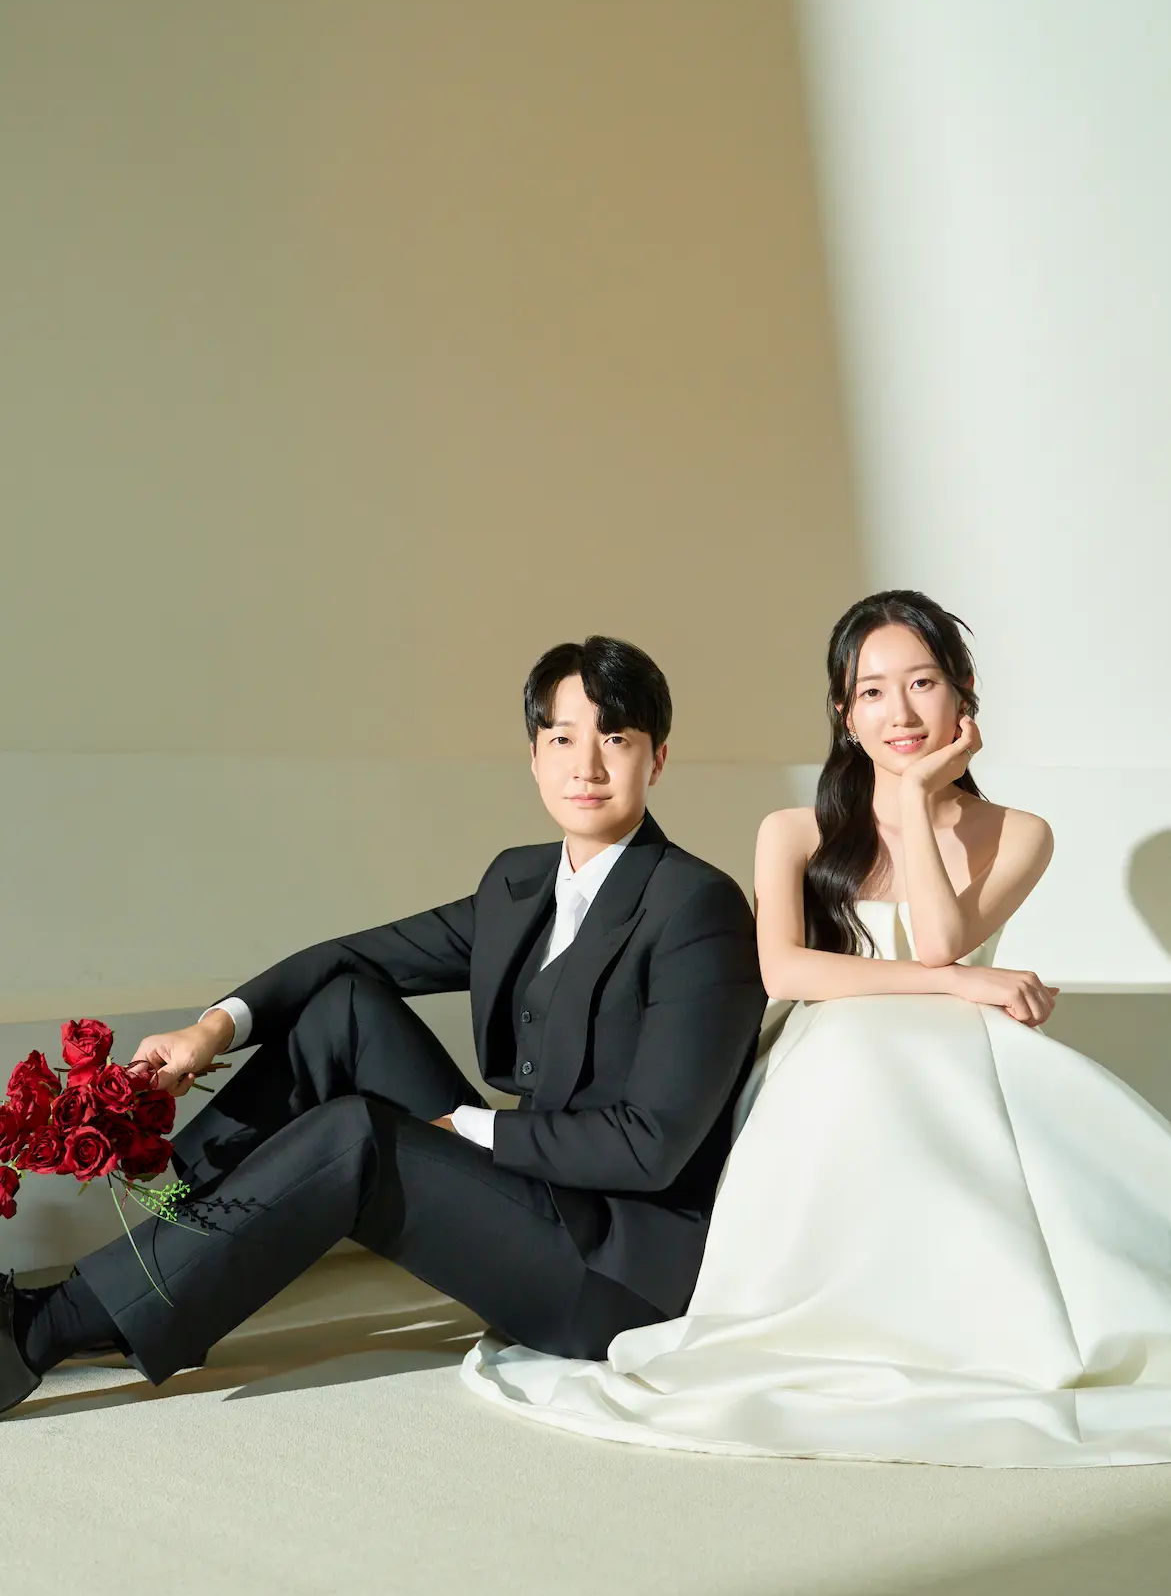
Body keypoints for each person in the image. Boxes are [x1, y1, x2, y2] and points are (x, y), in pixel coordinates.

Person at [463, 591, 1171, 1467]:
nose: (898, 712)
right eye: (870, 692)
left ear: (964, 696)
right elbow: (786, 973)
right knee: (854, 1078)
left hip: (959, 1069)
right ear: (843, 711)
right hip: (824, 1065)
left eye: (922, 684)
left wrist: (917, 793)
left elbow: (941, 937)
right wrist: (959, 982)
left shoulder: (1021, 832)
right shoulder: (793, 831)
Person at [0, 637, 765, 1416]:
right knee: (345, 1009)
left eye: (615, 739)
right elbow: (353, 957)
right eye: (562, 739)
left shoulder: (695, 907)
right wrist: (213, 1030)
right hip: (536, 1190)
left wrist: (467, 1128)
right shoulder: (520, 879)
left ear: (656, 759)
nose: (586, 767)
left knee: (356, 1134)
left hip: (612, 1267)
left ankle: (42, 1329)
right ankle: (170, 1260)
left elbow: (648, 1146)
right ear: (534, 758)